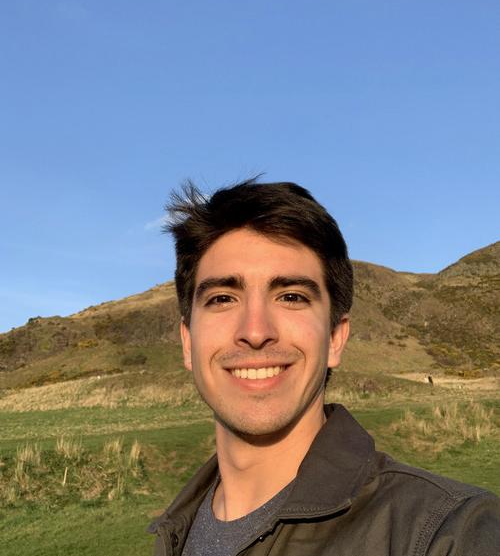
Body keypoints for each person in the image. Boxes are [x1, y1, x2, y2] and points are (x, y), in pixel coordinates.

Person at [149, 179, 500, 555]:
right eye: (222, 298)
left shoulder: (449, 532)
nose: (255, 331)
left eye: (290, 296)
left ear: (335, 337)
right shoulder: (176, 529)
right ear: (188, 342)